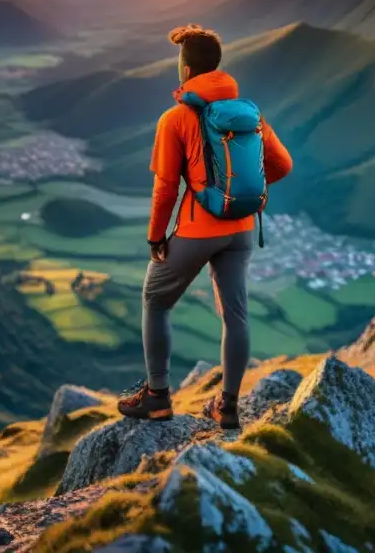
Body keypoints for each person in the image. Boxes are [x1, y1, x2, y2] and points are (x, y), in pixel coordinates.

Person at [118, 24, 293, 429]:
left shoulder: (176, 118)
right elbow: (281, 165)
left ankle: (158, 397)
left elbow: (165, 187)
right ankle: (227, 406)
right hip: (242, 228)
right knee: (236, 314)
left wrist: (156, 236)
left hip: (198, 230)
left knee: (155, 300)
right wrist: (239, 195)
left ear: (186, 69)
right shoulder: (248, 114)